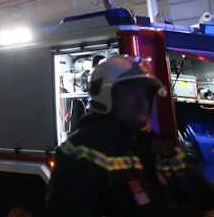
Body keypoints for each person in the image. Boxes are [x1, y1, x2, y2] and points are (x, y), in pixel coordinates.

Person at [45, 55, 214, 217]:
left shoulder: (163, 148)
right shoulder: (81, 152)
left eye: (145, 94)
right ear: (106, 96)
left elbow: (204, 197)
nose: (142, 102)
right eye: (131, 93)